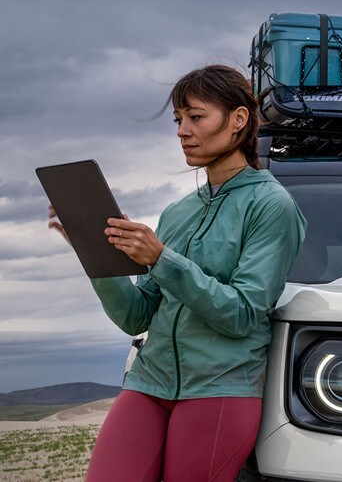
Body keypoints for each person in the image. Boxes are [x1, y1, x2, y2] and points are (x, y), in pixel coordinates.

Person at [49, 65, 306, 481]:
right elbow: (136, 315)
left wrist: (160, 258)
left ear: (239, 119)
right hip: (150, 380)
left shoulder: (272, 205)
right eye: (178, 119)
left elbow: (243, 314)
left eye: (196, 116)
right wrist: (95, 251)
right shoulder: (178, 211)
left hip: (221, 387)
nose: (182, 130)